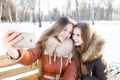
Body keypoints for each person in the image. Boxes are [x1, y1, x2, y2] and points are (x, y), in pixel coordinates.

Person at [1, 17, 77, 80]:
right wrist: (16, 53)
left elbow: (71, 72)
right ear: (58, 28)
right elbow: (30, 56)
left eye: (70, 32)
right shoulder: (44, 43)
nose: (67, 34)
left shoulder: (71, 49)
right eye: (65, 29)